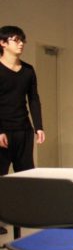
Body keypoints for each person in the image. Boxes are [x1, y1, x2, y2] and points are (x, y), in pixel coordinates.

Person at [0, 26, 45, 235]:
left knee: (26, 173)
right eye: (16, 40)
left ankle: (27, 214)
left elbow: (33, 99)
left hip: (23, 129)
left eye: (22, 40)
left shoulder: (27, 70)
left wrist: (39, 127)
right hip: (3, 131)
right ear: (3, 43)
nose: (21, 44)